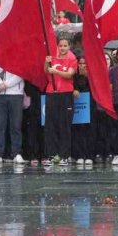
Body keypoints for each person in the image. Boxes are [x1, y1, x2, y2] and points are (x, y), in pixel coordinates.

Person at [44, 37, 77, 167]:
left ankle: (64, 155)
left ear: (69, 47)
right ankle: (52, 155)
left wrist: (56, 71)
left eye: (65, 46)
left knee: (64, 125)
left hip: (65, 94)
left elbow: (69, 74)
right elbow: (46, 71)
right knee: (51, 125)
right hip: (52, 93)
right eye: (60, 46)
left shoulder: (72, 59)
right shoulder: (52, 57)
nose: (62, 48)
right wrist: (47, 63)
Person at [0, 59, 25, 165]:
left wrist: (6, 84)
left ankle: (17, 152)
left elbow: (21, 73)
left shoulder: (19, 55)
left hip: (16, 94)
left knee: (16, 125)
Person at [72, 55, 94, 167]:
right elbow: (70, 85)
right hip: (78, 107)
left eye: (84, 63)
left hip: (90, 106)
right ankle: (79, 155)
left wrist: (87, 76)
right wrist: (74, 90)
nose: (82, 66)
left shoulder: (91, 75)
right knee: (78, 130)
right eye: (80, 63)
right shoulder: (74, 76)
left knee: (89, 130)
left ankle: (89, 155)